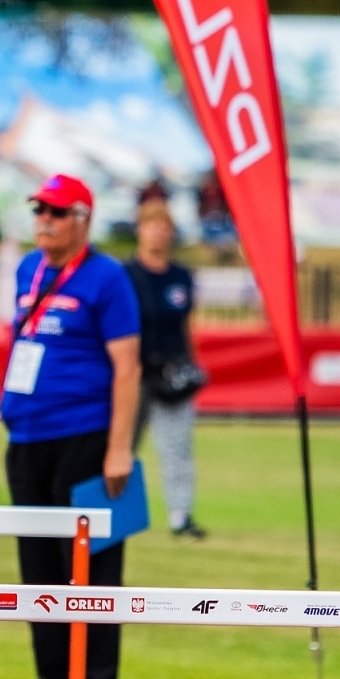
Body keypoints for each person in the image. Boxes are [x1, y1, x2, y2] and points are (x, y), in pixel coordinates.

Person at [3, 174, 140, 679]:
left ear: (83, 219)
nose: (45, 220)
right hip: (27, 436)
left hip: (86, 437)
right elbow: (23, 339)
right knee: (37, 564)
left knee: (91, 565)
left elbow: (127, 368)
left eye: (57, 212)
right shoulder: (27, 268)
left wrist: (119, 449)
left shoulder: (108, 278)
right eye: (40, 210)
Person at [125, 200, 207, 540]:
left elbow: (187, 324)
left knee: (177, 447)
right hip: (132, 371)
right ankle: (113, 515)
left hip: (170, 371)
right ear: (140, 230)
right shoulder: (125, 274)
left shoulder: (181, 277)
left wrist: (191, 362)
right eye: (151, 224)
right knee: (121, 446)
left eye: (164, 226)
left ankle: (180, 515)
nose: (158, 232)